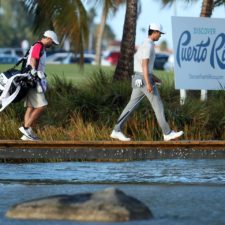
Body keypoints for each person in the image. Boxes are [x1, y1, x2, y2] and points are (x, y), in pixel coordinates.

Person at [110, 23, 183, 141]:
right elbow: (144, 64)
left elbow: (142, 65)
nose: (160, 36)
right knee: (158, 105)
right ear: (155, 32)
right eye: (160, 33)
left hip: (138, 78)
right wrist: (149, 82)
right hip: (144, 79)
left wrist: (153, 77)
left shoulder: (144, 44)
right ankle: (167, 133)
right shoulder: (149, 45)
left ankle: (116, 130)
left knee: (132, 105)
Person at [19, 30, 59, 141]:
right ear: (49, 39)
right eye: (53, 42)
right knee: (42, 106)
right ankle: (26, 128)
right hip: (33, 81)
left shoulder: (39, 46)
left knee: (31, 107)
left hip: (30, 80)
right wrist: (34, 72)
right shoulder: (39, 46)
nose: (52, 45)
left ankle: (27, 134)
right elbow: (33, 60)